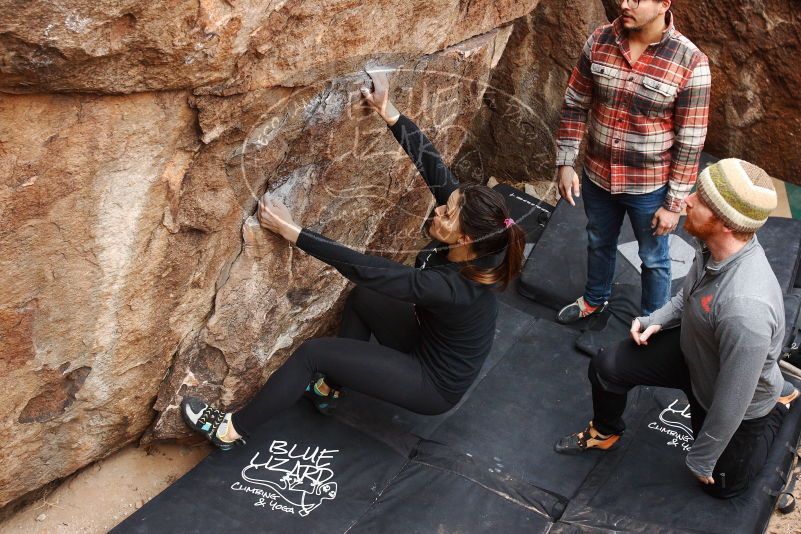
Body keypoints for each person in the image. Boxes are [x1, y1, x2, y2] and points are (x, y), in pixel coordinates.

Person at [180, 70, 526, 449]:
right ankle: (329, 389)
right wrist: (387, 110)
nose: (440, 208)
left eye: (447, 213)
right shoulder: (469, 236)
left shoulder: (453, 287)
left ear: (464, 240)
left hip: (431, 384)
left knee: (314, 353)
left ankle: (230, 430)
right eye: (448, 202)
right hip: (425, 340)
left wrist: (293, 232)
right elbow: (432, 165)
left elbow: (369, 269)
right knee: (365, 297)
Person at [554, 158, 799, 498]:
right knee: (606, 367)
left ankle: (781, 399)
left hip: (731, 394)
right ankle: (606, 430)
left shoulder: (746, 310)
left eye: (700, 198)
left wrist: (703, 457)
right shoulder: (711, 247)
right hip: (695, 354)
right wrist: (656, 319)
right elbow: (688, 298)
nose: (687, 199)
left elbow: (732, 398)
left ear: (725, 223)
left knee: (725, 488)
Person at [554, 0, 711, 323]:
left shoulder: (691, 61)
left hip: (650, 187)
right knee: (598, 241)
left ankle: (653, 326)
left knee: (654, 259)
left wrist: (674, 204)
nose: (625, 4)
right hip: (598, 174)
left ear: (663, 4)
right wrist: (566, 163)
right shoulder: (599, 40)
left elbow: (691, 142)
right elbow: (574, 103)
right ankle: (595, 300)